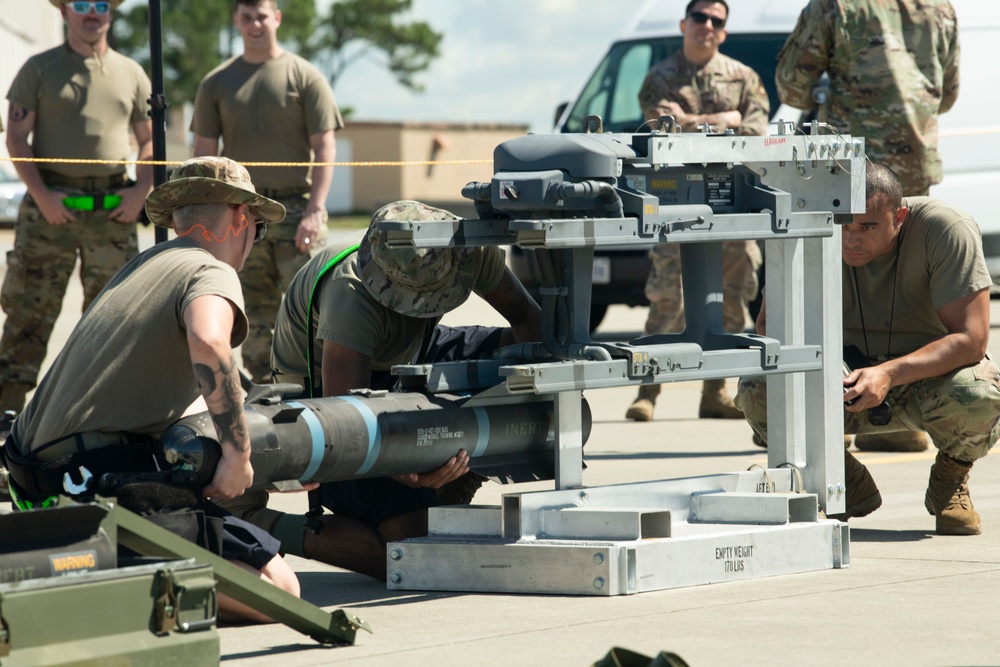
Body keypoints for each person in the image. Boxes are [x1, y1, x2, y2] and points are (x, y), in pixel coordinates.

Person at [0, 156, 301, 622]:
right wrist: (239, 458)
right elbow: (208, 340)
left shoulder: (146, 265)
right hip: (90, 479)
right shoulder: (210, 270)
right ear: (241, 217)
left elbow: (187, 396)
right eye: (257, 229)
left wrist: (276, 455)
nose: (252, 242)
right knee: (277, 589)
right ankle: (87, 587)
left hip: (37, 474)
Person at [220, 200, 543, 580]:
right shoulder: (350, 293)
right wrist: (407, 466)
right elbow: (349, 429)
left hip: (409, 354)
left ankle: (451, 482)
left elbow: (528, 319)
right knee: (404, 556)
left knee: (519, 355)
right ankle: (254, 519)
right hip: (328, 393)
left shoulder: (467, 249)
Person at [735, 162, 1000, 536]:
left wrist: (888, 373)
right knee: (758, 389)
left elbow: (972, 339)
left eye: (868, 227)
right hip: (845, 379)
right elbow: (769, 327)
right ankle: (843, 479)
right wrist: (831, 368)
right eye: (842, 225)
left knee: (979, 394)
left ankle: (950, 479)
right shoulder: (811, 224)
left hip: (926, 380)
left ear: (900, 216)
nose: (850, 239)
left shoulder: (944, 228)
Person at [775, 0, 960, 452]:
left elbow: (792, 85)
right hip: (909, 161)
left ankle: (841, 408)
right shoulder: (940, 8)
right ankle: (900, 418)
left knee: (837, 285)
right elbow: (948, 91)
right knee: (909, 288)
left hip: (849, 170)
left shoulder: (835, 6)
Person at [1, 0, 153, 413]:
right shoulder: (39, 68)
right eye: (82, 4)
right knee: (27, 320)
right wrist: (42, 195)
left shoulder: (132, 72)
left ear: (111, 13)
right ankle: (4, 421)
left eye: (102, 5)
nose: (92, 13)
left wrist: (140, 191)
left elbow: (149, 139)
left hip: (112, 211)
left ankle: (97, 420)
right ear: (65, 12)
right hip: (52, 209)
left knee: (113, 320)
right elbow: (16, 139)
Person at [625, 0, 768, 423]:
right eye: (700, 18)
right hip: (674, 201)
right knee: (667, 299)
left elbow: (756, 130)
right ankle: (648, 392)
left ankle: (717, 392)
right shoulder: (659, 77)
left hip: (732, 205)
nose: (707, 26)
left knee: (733, 302)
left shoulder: (745, 78)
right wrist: (724, 118)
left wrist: (690, 120)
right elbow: (656, 126)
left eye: (716, 21)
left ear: (724, 31)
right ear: (684, 24)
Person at [191, 0, 344, 382]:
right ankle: (266, 394)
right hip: (241, 213)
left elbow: (325, 148)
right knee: (255, 317)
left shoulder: (305, 76)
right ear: (236, 22)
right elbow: (203, 155)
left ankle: (318, 391)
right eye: (246, 17)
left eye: (262, 15)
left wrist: (315, 210)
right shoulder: (216, 82)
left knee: (315, 307)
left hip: (296, 212)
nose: (255, 24)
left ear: (276, 17)